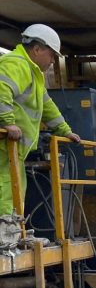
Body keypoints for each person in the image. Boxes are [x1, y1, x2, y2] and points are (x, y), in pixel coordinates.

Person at [0, 24, 80, 218]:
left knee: (14, 188)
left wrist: (65, 130)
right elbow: (1, 90)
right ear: (37, 49)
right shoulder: (16, 64)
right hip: (4, 144)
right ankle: (6, 229)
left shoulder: (33, 73)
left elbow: (47, 106)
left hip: (13, 148)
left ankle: (11, 228)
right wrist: (8, 123)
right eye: (51, 55)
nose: (52, 61)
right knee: (6, 186)